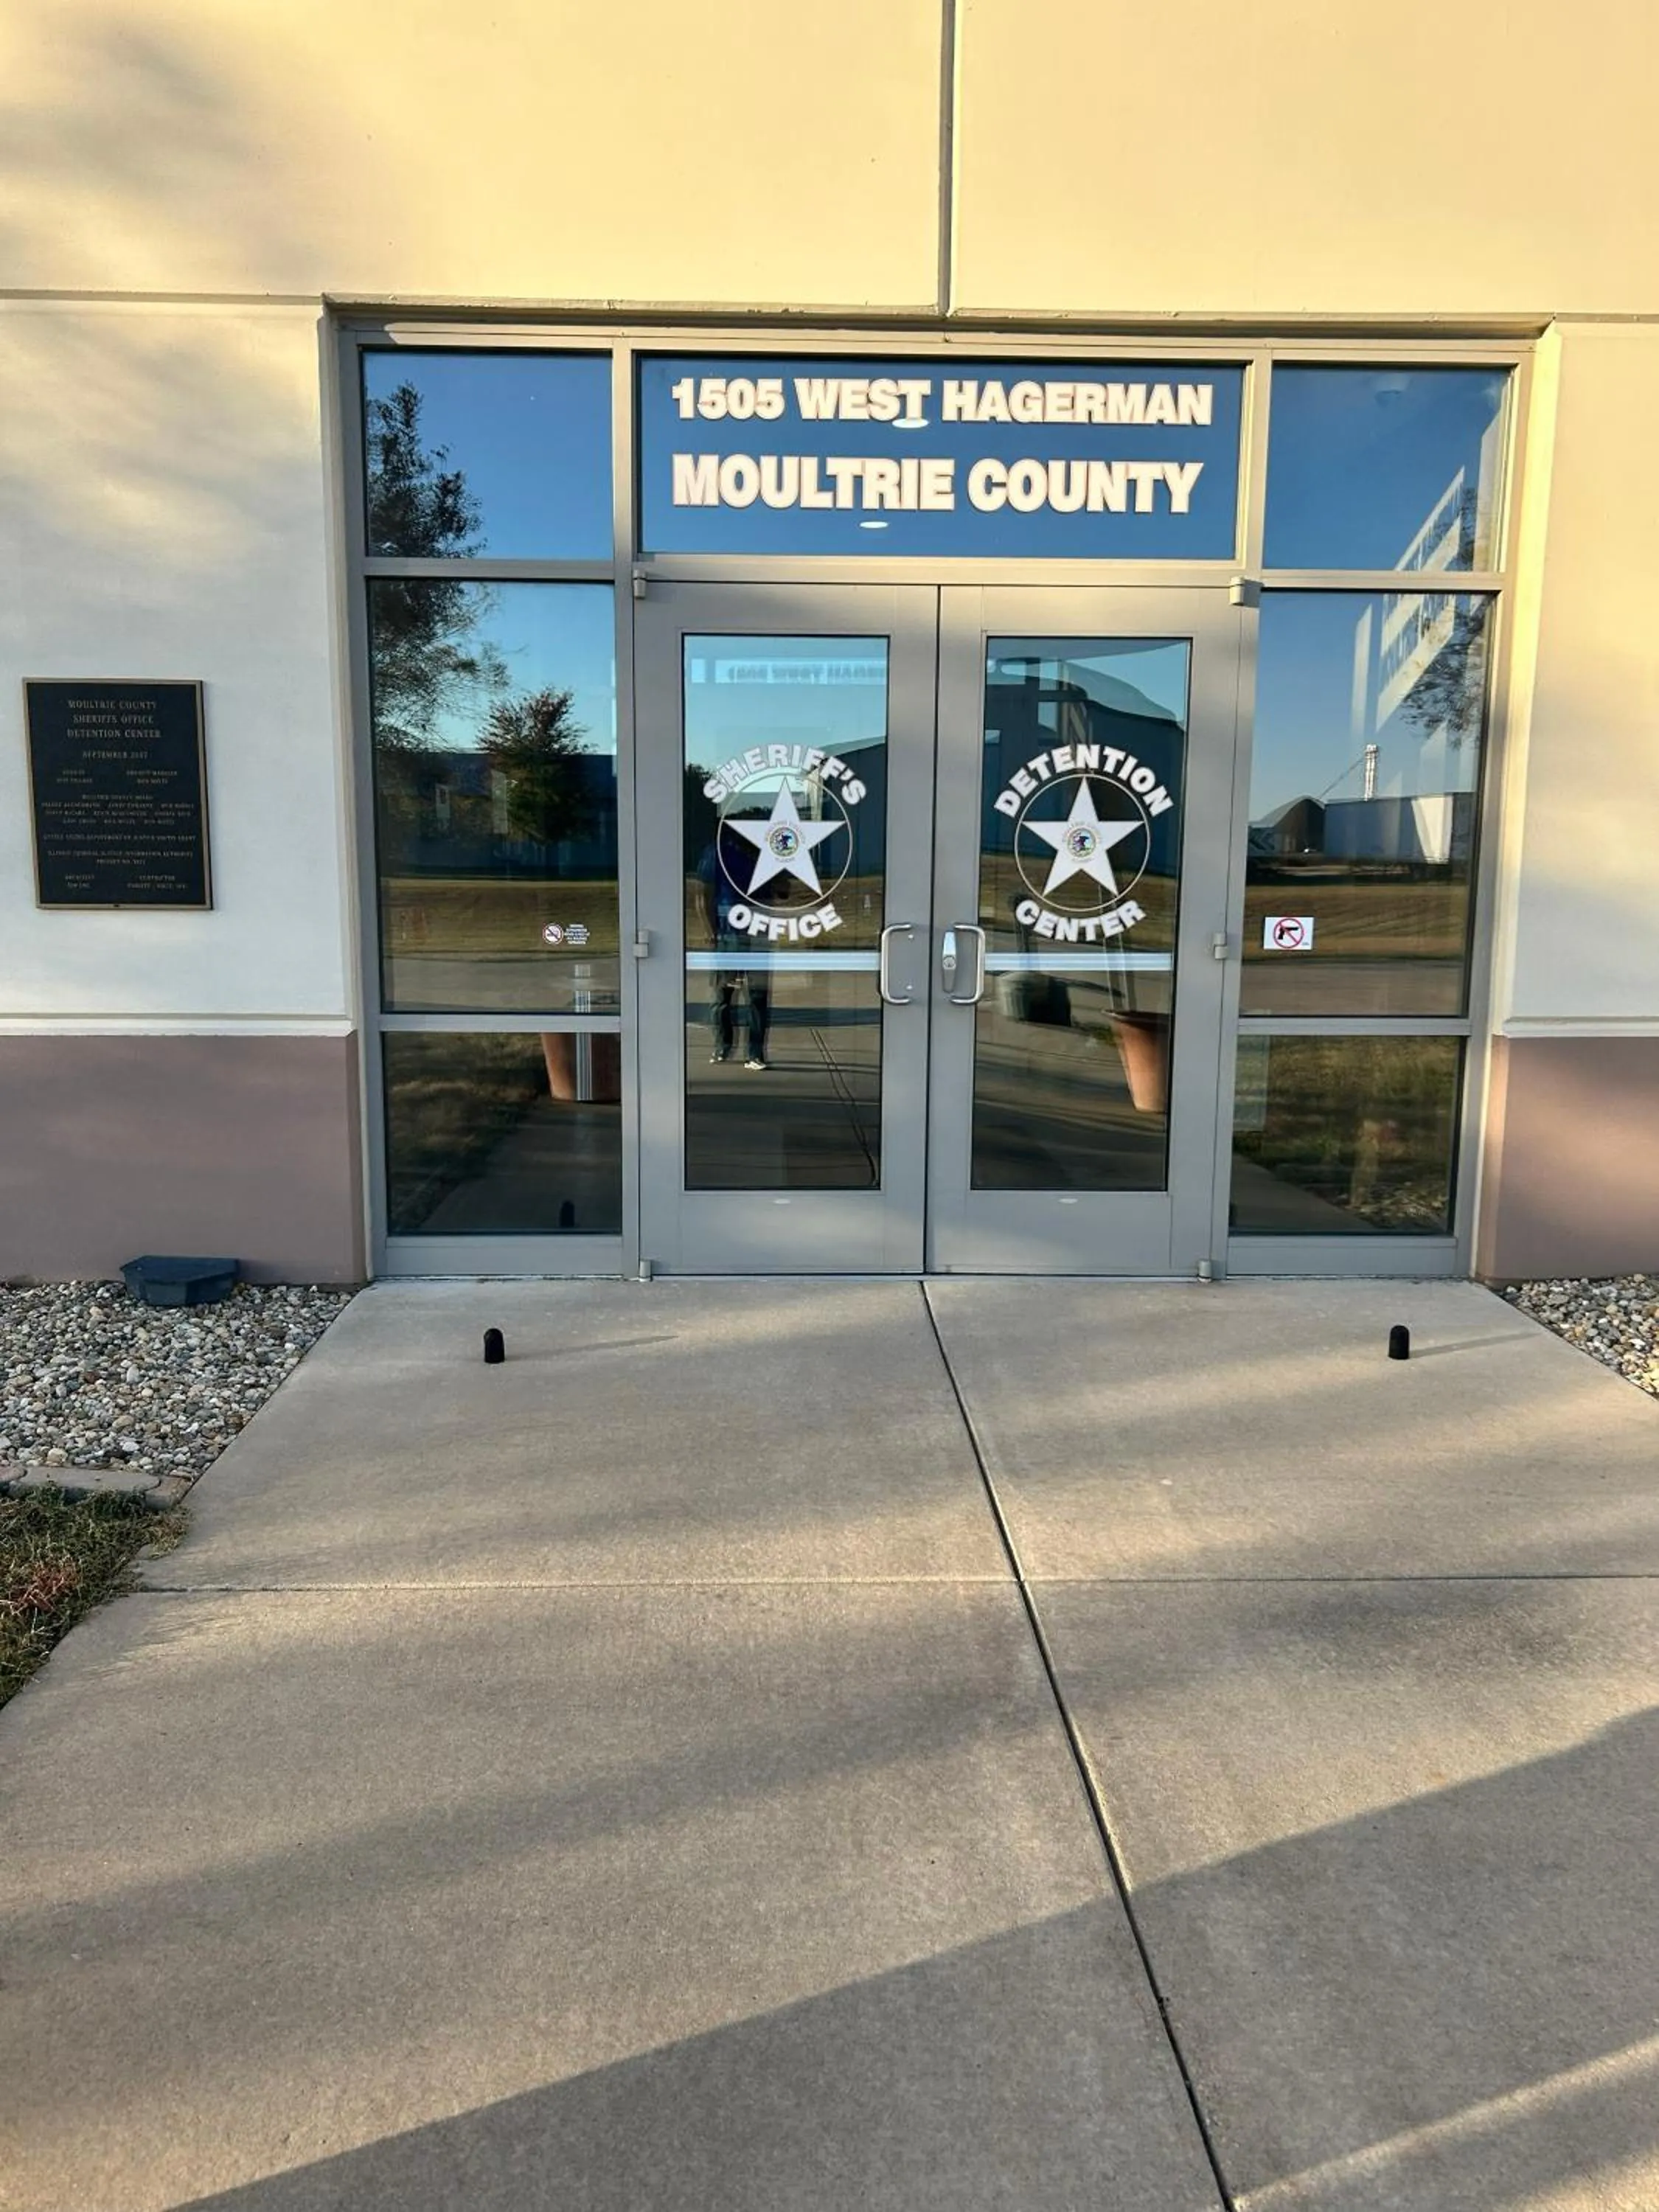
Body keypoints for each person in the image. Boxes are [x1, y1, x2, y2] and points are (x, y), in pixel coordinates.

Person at [694, 835, 771, 1069]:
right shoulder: (715, 853)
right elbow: (702, 894)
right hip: (727, 935)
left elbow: (781, 890)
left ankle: (755, 1054)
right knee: (722, 995)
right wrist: (710, 931)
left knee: (757, 997)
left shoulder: (763, 852)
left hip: (758, 933)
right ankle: (722, 1047)